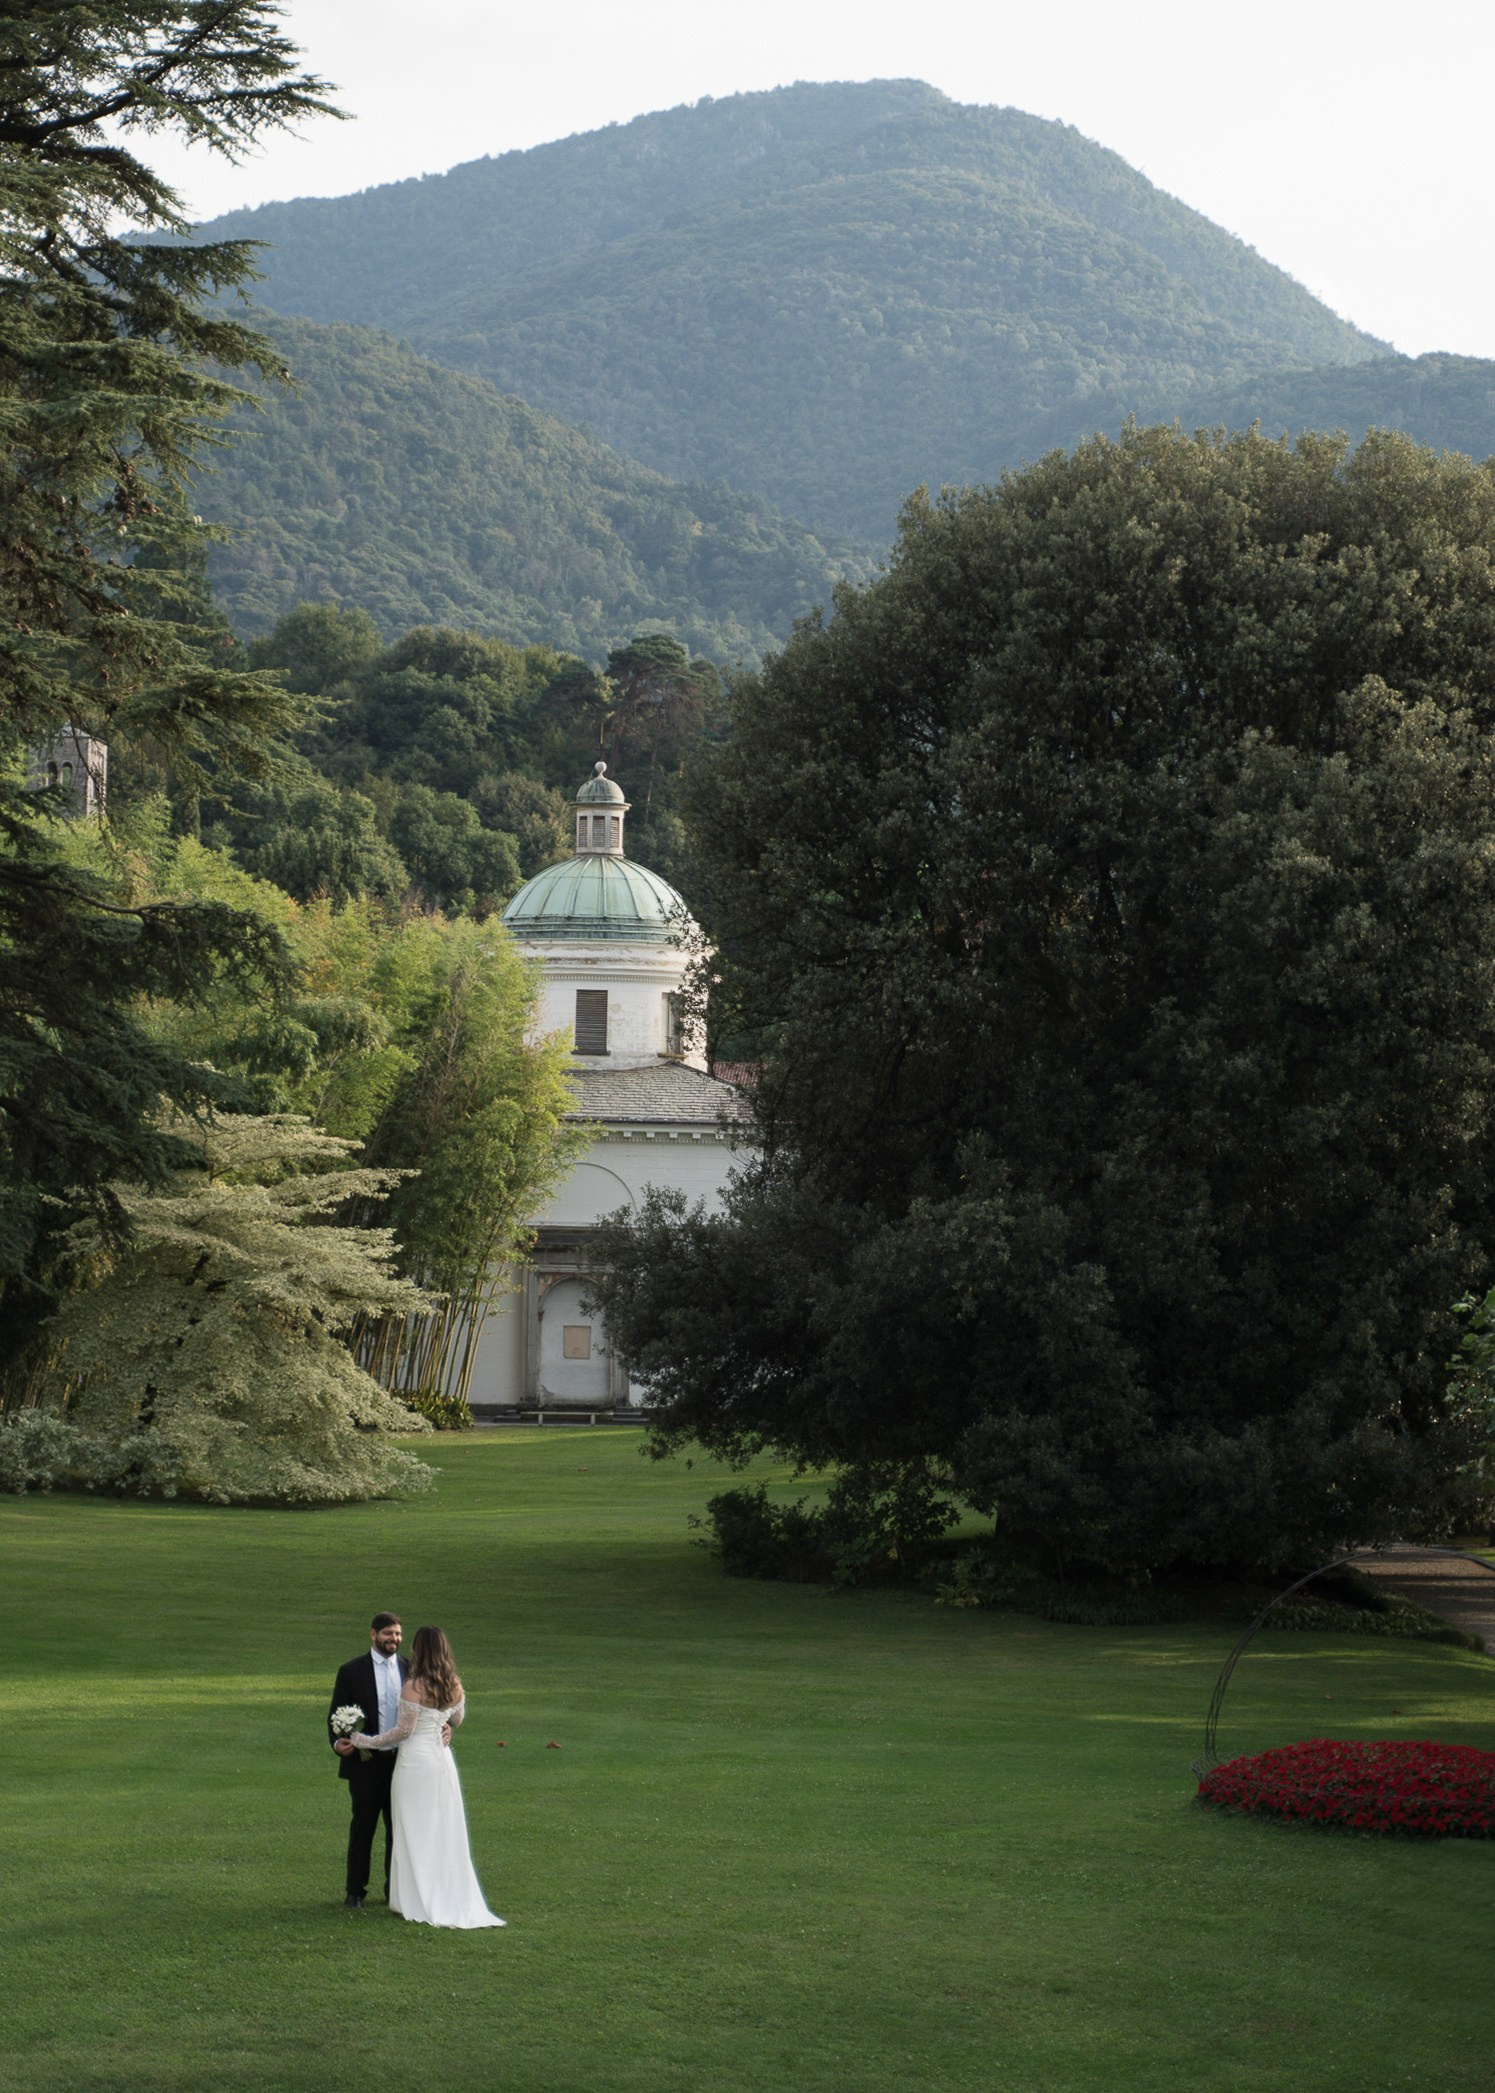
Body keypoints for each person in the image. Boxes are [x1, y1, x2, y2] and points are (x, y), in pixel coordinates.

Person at [337, 1623, 505, 1929]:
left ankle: (414, 1896)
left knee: (411, 1827)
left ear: (420, 1649)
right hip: (441, 1761)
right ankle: (427, 1890)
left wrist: (364, 1741)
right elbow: (457, 1718)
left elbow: (404, 1731)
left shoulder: (414, 1685)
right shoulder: (453, 1682)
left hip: (415, 1762)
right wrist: (445, 1725)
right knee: (440, 1827)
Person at [326, 1611, 450, 1911]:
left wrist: (445, 1726)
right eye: (388, 1634)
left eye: (397, 1634)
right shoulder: (352, 1670)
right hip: (366, 1763)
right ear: (373, 1635)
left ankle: (394, 1889)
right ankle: (355, 1891)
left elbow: (435, 1707)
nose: (394, 1639)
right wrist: (337, 1742)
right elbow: (335, 1715)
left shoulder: (412, 1670)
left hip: (405, 1763)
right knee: (363, 1827)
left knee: (401, 1829)